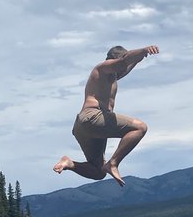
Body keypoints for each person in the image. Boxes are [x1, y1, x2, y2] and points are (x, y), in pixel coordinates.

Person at [53, 44, 158, 187]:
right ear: (114, 59)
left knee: (98, 172)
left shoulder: (111, 75)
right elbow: (124, 62)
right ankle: (113, 163)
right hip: (93, 117)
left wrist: (139, 58)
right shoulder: (103, 67)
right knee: (140, 127)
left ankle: (69, 163)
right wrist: (144, 50)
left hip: (84, 127)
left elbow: (126, 66)